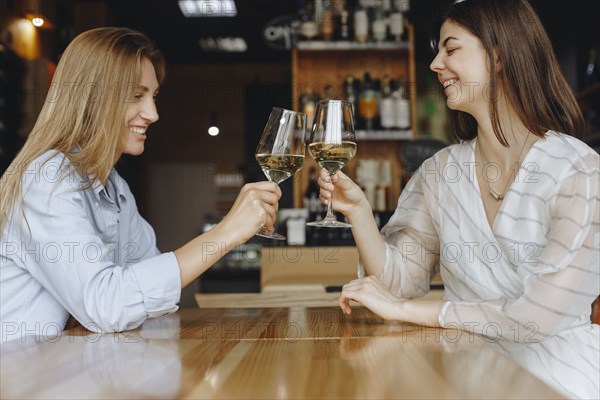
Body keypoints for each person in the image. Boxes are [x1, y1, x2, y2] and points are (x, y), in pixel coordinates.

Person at [318, 1, 598, 397]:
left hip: (559, 380)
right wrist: (359, 212)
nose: (435, 63)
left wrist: (410, 313)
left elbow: (539, 317)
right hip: (467, 373)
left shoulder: (578, 170)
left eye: (450, 49)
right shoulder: (440, 172)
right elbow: (398, 285)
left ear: (499, 56)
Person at [0, 27, 281, 341]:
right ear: (92, 98)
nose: (153, 114)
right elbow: (106, 306)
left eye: (153, 96)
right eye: (136, 95)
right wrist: (225, 233)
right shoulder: (47, 179)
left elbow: (151, 297)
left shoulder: (114, 187)